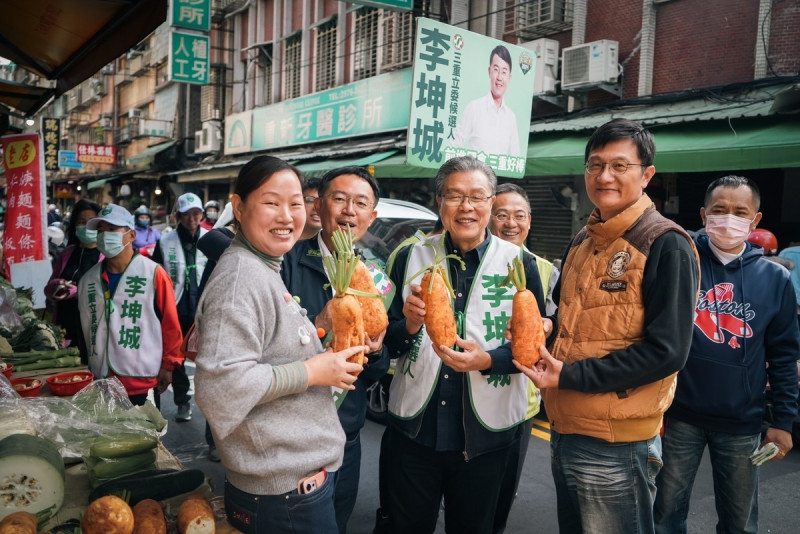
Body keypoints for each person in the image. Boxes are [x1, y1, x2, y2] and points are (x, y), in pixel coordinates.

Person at [514, 118, 700, 534]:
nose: (604, 176)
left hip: (617, 442)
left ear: (646, 174)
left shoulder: (665, 243)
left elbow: (668, 351)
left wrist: (572, 375)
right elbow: (569, 320)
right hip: (566, 426)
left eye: (619, 166)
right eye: (594, 165)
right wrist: (545, 326)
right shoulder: (582, 240)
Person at [193, 155, 366, 533]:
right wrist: (311, 371)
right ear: (238, 207)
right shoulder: (241, 278)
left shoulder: (263, 267)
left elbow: (267, 347)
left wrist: (317, 327)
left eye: (296, 203)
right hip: (283, 497)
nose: (287, 216)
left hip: (292, 486)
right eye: (272, 202)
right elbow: (219, 387)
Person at [381, 155, 545, 533]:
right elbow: (383, 343)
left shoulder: (519, 263)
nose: (466, 206)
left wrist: (487, 360)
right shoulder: (409, 257)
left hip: (486, 437)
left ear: (491, 203)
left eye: (477, 196)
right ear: (439, 201)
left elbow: (530, 347)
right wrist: (406, 324)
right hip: (414, 431)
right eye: (454, 196)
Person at [654, 175, 800, 534]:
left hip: (742, 425)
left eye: (740, 211)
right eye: (719, 210)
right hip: (680, 417)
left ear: (756, 220)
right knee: (665, 515)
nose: (728, 218)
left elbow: (783, 356)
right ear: (704, 215)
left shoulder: (775, 279)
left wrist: (782, 423)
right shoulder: (681, 260)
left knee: (739, 522)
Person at [281, 166, 391, 533]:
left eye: (361, 203)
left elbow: (376, 372)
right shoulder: (285, 263)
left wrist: (375, 352)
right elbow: (267, 350)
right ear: (319, 205)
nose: (349, 211)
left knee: (335, 525)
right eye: (339, 199)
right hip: (290, 437)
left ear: (371, 217)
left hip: (345, 436)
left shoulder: (374, 277)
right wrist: (319, 326)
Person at [487, 182, 558, 534]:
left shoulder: (543, 269)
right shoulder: (474, 264)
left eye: (518, 215)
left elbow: (560, 324)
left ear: (530, 220)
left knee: (503, 485)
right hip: (476, 386)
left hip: (522, 395)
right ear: (488, 217)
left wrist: (548, 324)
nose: (510, 223)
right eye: (501, 214)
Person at [77, 203, 183, 406]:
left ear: (131, 235)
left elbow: (170, 324)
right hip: (101, 381)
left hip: (141, 380)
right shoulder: (87, 281)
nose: (104, 235)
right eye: (100, 230)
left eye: (112, 229)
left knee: (147, 436)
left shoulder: (153, 274)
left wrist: (169, 366)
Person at [152, 192, 208, 422]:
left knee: (207, 358)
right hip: (175, 308)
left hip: (204, 309)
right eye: (186, 215)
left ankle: (209, 407)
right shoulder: (165, 243)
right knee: (176, 358)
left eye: (196, 214)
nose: (191, 219)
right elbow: (155, 274)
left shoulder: (211, 239)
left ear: (202, 215)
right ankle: (183, 401)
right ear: (177, 216)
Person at [45, 199, 103, 363]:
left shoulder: (105, 256)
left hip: (92, 329)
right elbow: (48, 288)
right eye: (81, 222)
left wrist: (77, 291)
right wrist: (57, 286)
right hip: (65, 326)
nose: (86, 226)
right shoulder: (67, 253)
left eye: (91, 222)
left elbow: (107, 292)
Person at [451, 45, 520, 157]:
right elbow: (453, 146)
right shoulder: (474, 108)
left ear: (509, 78)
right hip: (476, 174)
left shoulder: (511, 118)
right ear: (489, 72)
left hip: (500, 175)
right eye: (496, 70)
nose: (499, 77)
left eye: (504, 72)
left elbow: (516, 157)